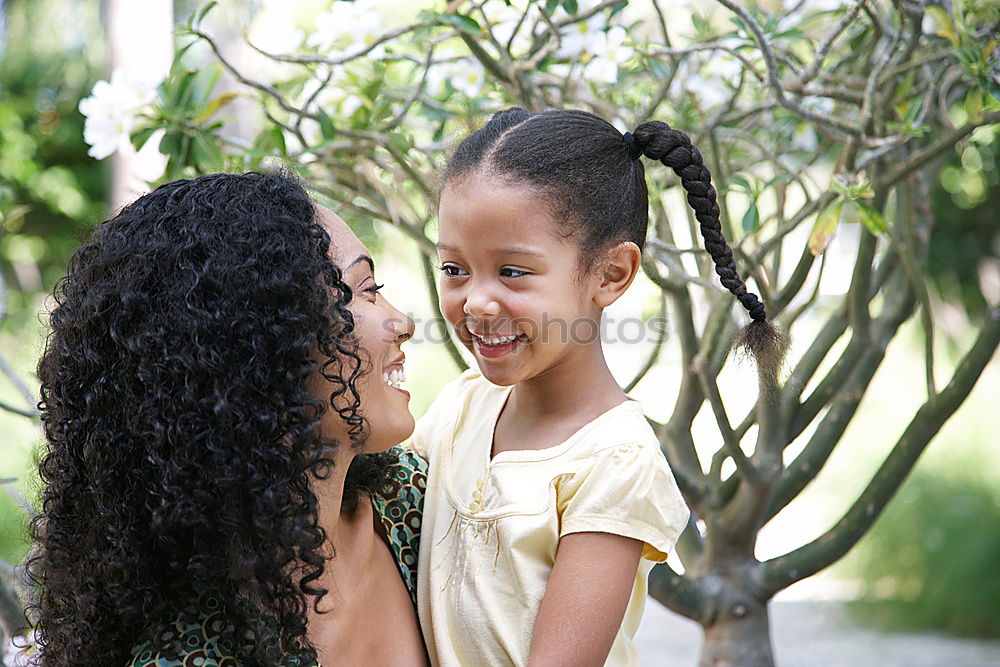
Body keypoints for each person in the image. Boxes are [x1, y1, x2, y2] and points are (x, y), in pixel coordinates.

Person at [411, 108, 787, 666]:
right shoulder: (460, 408)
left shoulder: (614, 463)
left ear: (611, 274)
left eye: (513, 271)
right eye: (454, 269)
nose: (477, 301)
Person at [27, 171, 428, 667]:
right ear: (262, 351)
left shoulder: (417, 506)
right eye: (365, 290)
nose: (404, 322)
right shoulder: (193, 655)